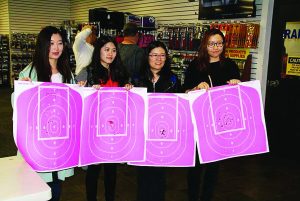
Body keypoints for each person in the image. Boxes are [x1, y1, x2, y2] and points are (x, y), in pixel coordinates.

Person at [18, 26, 75, 201]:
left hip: (59, 140)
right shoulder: (30, 72)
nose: (56, 48)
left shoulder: (66, 73)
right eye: (51, 43)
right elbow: (18, 106)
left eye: (60, 43)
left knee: (56, 186)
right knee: (39, 187)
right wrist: (23, 90)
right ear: (43, 45)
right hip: (37, 142)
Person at [183, 28, 241, 201]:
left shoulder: (230, 65)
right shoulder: (195, 65)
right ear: (205, 45)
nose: (216, 47)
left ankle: (206, 197)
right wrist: (195, 88)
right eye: (211, 44)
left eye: (219, 43)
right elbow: (185, 92)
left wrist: (237, 84)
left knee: (213, 166)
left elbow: (236, 97)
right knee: (195, 167)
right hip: (199, 123)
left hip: (220, 124)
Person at [76, 35, 132, 201]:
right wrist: (85, 89)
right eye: (106, 49)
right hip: (94, 129)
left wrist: (129, 87)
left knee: (111, 170)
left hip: (114, 130)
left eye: (114, 50)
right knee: (93, 169)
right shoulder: (87, 72)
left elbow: (127, 101)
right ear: (98, 51)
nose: (110, 53)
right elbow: (78, 100)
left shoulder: (120, 72)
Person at [134, 41, 182, 201]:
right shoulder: (137, 79)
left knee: (160, 176)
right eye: (154, 55)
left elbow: (180, 106)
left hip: (163, 136)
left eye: (162, 55)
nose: (158, 59)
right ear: (147, 57)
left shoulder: (173, 80)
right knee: (143, 177)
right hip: (143, 135)